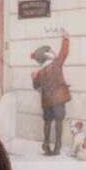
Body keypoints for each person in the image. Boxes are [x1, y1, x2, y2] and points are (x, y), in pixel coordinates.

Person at [31, 28, 72, 156]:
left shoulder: (40, 73)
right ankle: (58, 145)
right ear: (48, 55)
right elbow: (64, 53)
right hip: (59, 100)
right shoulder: (56, 64)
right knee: (59, 121)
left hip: (47, 102)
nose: (53, 51)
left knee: (47, 122)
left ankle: (46, 144)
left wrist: (33, 78)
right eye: (51, 51)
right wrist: (65, 38)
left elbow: (35, 85)